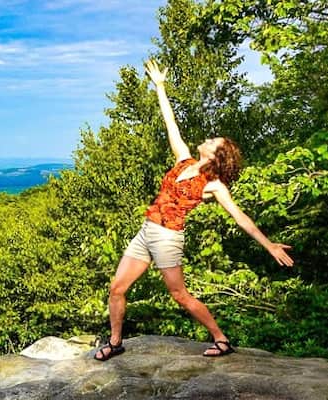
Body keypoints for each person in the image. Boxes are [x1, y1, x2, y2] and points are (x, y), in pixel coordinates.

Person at [94, 59, 294, 361]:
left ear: (216, 156)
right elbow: (170, 124)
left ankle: (221, 339)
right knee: (117, 288)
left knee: (179, 295)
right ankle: (115, 342)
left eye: (213, 141)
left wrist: (269, 245)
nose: (208, 139)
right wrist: (160, 86)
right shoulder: (183, 160)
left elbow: (240, 218)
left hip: (167, 238)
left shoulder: (213, 185)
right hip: (146, 231)